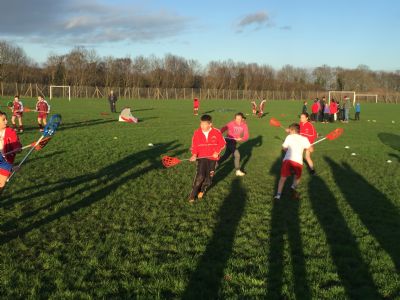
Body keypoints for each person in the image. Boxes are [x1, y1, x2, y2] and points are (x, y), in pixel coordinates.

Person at [188, 114, 226, 203]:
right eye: (201, 124)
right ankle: (192, 195)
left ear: (210, 124)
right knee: (200, 176)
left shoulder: (216, 132)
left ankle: (202, 190)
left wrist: (216, 152)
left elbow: (222, 143)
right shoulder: (197, 133)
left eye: (204, 124)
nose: (202, 126)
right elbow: (195, 146)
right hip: (201, 158)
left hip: (213, 159)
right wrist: (194, 155)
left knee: (208, 179)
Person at [274, 123, 310, 200]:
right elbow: (311, 150)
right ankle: (292, 187)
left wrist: (288, 150)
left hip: (288, 160)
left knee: (282, 178)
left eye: (290, 130)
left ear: (293, 130)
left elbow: (284, 148)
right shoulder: (305, 139)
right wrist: (308, 147)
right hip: (298, 162)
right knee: (297, 177)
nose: (288, 131)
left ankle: (278, 195)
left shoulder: (289, 137)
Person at [0, 111, 22, 195]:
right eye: (3, 120)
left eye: (6, 119)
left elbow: (16, 143)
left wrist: (17, 148)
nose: (6, 121)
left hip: (6, 162)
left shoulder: (10, 131)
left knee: (1, 185)